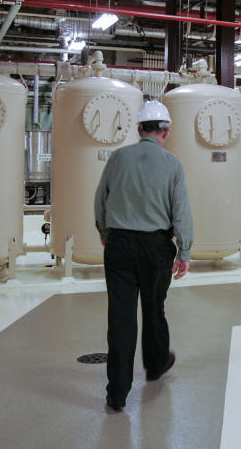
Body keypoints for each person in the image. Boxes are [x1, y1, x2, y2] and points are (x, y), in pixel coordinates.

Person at [93, 99, 193, 412]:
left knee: (120, 318)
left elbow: (100, 201)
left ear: (139, 129)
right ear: (167, 131)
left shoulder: (118, 158)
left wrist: (106, 235)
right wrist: (184, 250)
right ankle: (156, 363)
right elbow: (181, 212)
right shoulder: (173, 164)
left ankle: (117, 393)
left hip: (120, 245)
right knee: (153, 308)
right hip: (156, 247)